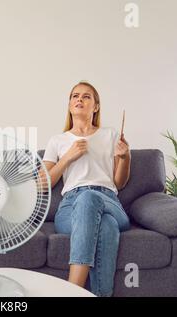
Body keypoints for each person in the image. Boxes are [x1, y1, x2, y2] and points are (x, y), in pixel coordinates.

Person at [41, 81, 131, 297]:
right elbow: (42, 184)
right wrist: (67, 158)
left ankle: (72, 292)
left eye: (86, 96)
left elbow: (119, 182)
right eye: (75, 96)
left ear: (96, 106)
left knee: (90, 198)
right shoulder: (58, 141)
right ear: (70, 104)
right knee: (106, 226)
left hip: (108, 200)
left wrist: (125, 157)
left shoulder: (110, 135)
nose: (79, 99)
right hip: (70, 207)